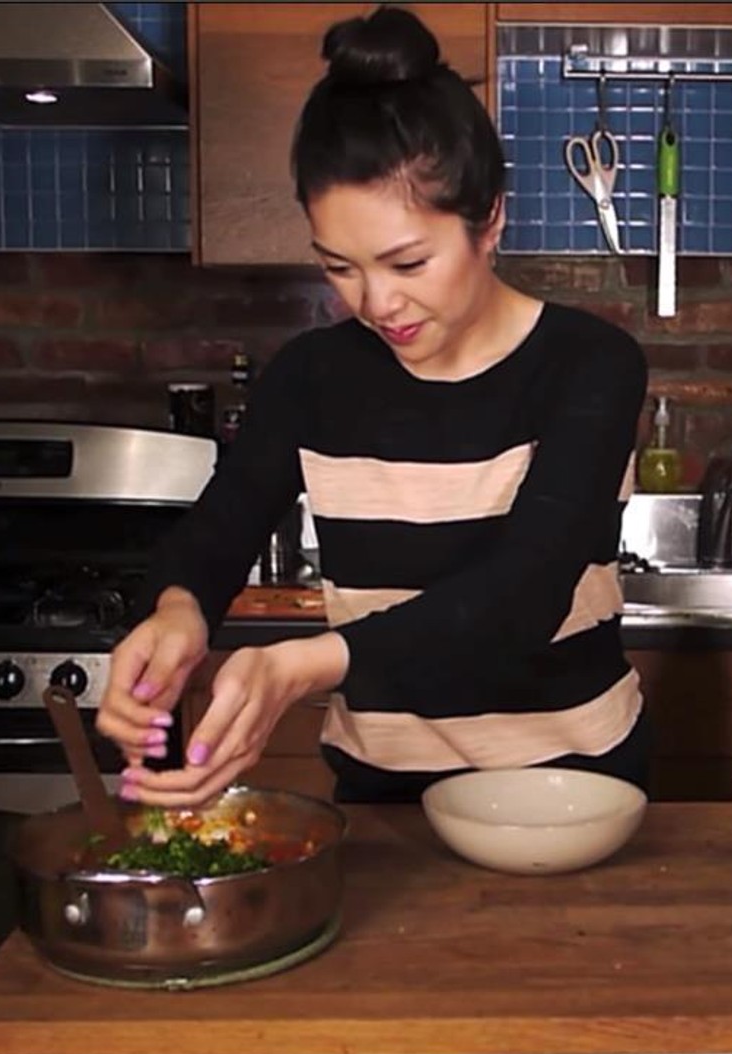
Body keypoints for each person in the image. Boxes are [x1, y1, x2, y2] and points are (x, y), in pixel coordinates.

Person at [96, 5, 652, 807]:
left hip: (572, 795)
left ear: (489, 218)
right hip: (384, 798)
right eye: (340, 266)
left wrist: (300, 665)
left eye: (408, 261)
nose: (377, 302)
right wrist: (178, 614)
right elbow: (214, 536)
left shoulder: (588, 365)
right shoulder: (312, 377)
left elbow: (523, 596)